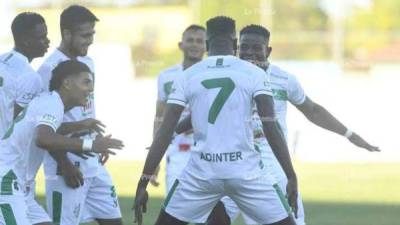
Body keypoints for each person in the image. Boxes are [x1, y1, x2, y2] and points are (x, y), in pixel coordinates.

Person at [183, 24, 380, 225]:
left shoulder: (283, 79)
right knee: (214, 220)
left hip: (272, 165)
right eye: (245, 47)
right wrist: (170, 131)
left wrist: (349, 135)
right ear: (236, 48)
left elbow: (312, 110)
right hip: (234, 162)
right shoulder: (227, 75)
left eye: (256, 48)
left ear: (267, 51)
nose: (250, 53)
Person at [134, 16, 298, 225]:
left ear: (207, 44)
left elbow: (165, 130)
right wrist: (291, 176)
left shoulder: (187, 75)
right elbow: (270, 124)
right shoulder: (255, 73)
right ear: (235, 44)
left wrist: (143, 181)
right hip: (246, 173)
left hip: (202, 174)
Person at [0, 60, 123, 225]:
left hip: (21, 187)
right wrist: (90, 145)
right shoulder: (53, 104)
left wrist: (80, 125)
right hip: (7, 182)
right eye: (86, 82)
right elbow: (44, 138)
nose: (91, 89)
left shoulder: (50, 102)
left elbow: (43, 131)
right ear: (67, 83)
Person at [37, 5, 123, 225]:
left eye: (92, 34)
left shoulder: (88, 63)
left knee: (114, 221)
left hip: (92, 162)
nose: (90, 40)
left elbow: (86, 111)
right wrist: (64, 163)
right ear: (67, 34)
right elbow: (43, 127)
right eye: (85, 35)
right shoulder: (48, 69)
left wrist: (96, 142)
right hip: (65, 167)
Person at [153, 24, 206, 192]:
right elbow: (159, 118)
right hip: (177, 148)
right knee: (173, 204)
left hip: (207, 148)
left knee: (210, 212)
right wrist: (154, 159)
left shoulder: (213, 74)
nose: (195, 44)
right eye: (190, 40)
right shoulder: (166, 76)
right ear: (180, 45)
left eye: (200, 41)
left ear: (206, 46)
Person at [0, 12, 49, 136]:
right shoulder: (30, 77)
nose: (48, 41)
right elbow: (20, 126)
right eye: (42, 37)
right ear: (26, 41)